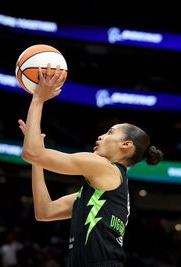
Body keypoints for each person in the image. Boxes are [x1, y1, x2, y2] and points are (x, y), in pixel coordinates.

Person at [18, 64, 163, 267]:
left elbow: (31, 152)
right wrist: (37, 162)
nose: (101, 136)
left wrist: (38, 98)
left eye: (110, 132)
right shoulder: (101, 191)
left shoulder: (104, 166)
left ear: (126, 145)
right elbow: (45, 212)